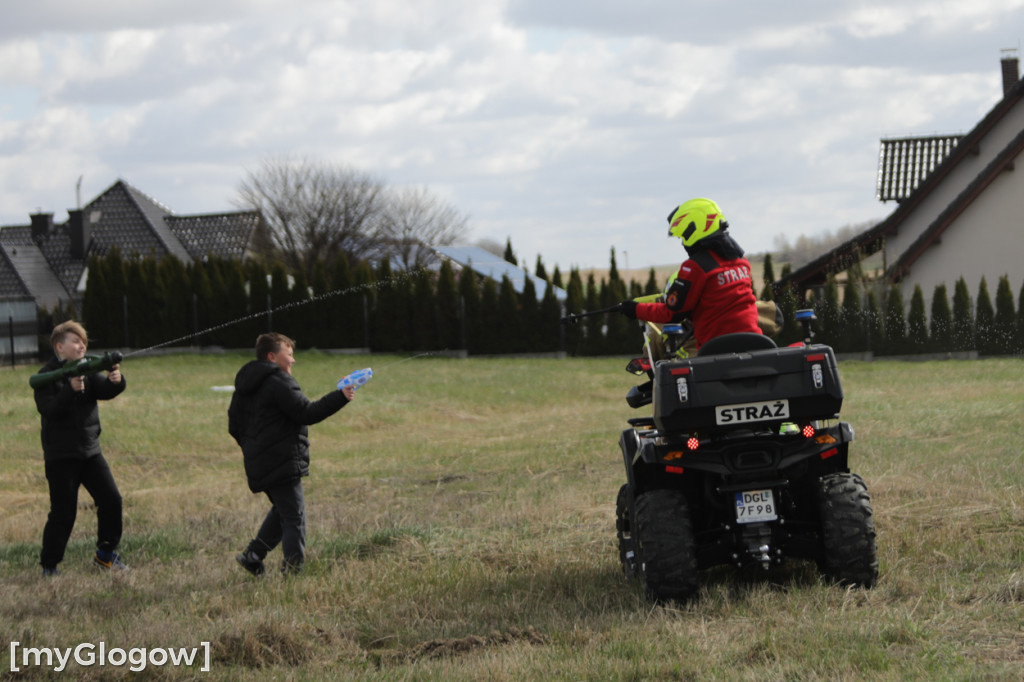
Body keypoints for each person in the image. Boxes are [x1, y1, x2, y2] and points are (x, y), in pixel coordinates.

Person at [229, 332, 356, 576]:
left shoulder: (246, 386)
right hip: (281, 461)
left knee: (284, 510)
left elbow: (234, 426)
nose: (293, 360)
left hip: (258, 462)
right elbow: (307, 413)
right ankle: (293, 572)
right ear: (272, 356)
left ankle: (253, 556)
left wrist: (253, 447)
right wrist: (341, 396)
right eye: (289, 355)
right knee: (294, 517)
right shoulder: (279, 382)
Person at [34, 321, 127, 576]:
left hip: (90, 451)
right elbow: (49, 410)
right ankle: (49, 566)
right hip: (61, 457)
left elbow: (105, 390)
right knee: (63, 514)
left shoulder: (87, 370)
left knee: (111, 501)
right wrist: (69, 390)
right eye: (76, 341)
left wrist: (116, 381)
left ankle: (105, 555)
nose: (82, 345)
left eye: (83, 341)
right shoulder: (45, 377)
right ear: (59, 347)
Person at [618, 197, 761, 348]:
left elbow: (672, 313)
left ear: (695, 229)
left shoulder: (695, 267)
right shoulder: (742, 261)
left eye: (683, 236)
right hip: (755, 343)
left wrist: (635, 309)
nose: (682, 243)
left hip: (717, 350)